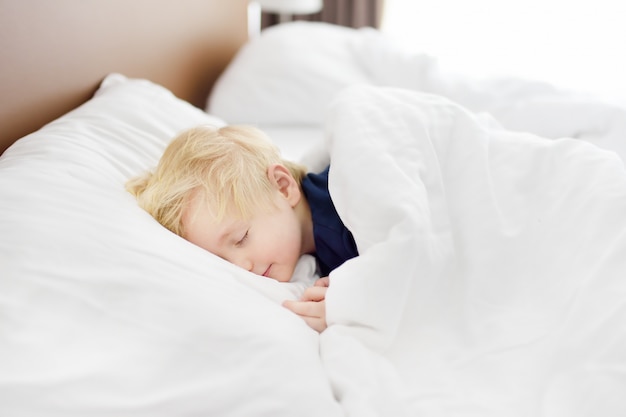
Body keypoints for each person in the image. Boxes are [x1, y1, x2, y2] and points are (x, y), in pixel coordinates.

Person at [126, 125, 358, 332]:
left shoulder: (345, 218)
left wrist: (351, 306)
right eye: (224, 261)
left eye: (241, 238)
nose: (242, 267)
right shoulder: (311, 236)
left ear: (283, 187)